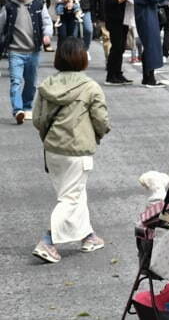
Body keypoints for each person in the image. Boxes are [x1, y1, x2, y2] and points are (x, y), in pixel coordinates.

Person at [31, 38, 110, 263]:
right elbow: (101, 120)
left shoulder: (47, 85)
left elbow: (37, 119)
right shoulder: (90, 87)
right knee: (71, 196)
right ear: (82, 59)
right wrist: (97, 134)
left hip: (53, 150)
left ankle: (87, 235)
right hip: (78, 150)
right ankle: (48, 240)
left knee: (73, 193)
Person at [1, 0, 53, 123]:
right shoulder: (9, 7)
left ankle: (27, 106)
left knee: (31, 82)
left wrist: (47, 35)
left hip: (33, 51)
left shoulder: (38, 5)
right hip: (14, 51)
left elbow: (47, 23)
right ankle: (18, 110)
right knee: (16, 81)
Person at [101, 0, 133, 85]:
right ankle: (111, 75)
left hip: (123, 17)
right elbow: (109, 0)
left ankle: (118, 73)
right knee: (116, 47)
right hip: (114, 18)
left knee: (121, 47)